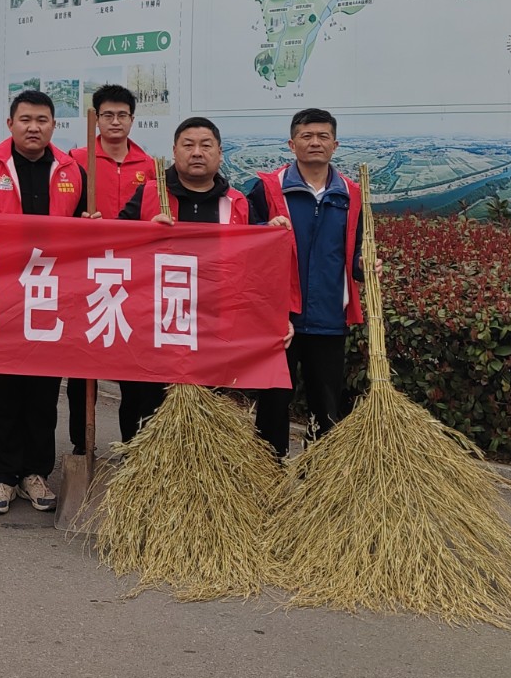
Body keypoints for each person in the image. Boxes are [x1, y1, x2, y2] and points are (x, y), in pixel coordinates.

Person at [0, 88, 87, 516]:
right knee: (2, 388)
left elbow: (88, 231)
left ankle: (34, 472)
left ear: (53, 125)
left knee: (43, 390)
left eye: (42, 120)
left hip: (51, 295)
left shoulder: (71, 171)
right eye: (26, 120)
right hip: (2, 294)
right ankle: (1, 475)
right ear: (10, 125)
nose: (34, 127)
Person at [116, 116, 279, 441]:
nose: (197, 152)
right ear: (174, 151)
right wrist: (142, 234)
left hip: (213, 328)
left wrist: (273, 233)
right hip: (154, 327)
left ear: (219, 153)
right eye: (188, 145)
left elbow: (257, 265)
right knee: (144, 407)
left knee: (207, 410)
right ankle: (141, 466)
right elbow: (114, 246)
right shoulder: (149, 195)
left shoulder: (236, 203)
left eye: (206, 145)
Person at [245, 107, 365, 458]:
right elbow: (244, 239)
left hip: (329, 316)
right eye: (306, 136)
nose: (315, 142)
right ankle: (270, 470)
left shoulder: (351, 194)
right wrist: (264, 230)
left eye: (323, 136)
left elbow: (356, 251)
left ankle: (318, 477)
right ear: (292, 144)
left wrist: (365, 265)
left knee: (326, 405)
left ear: (335, 145)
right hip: (279, 317)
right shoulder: (268, 190)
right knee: (273, 400)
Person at [64, 83, 155, 457]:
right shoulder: (75, 160)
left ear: (132, 119)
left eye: (122, 115)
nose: (115, 121)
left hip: (133, 279)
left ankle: (133, 444)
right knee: (81, 366)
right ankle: (81, 445)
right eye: (107, 115)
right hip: (85, 274)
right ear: (96, 118)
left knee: (134, 367)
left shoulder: (149, 166)